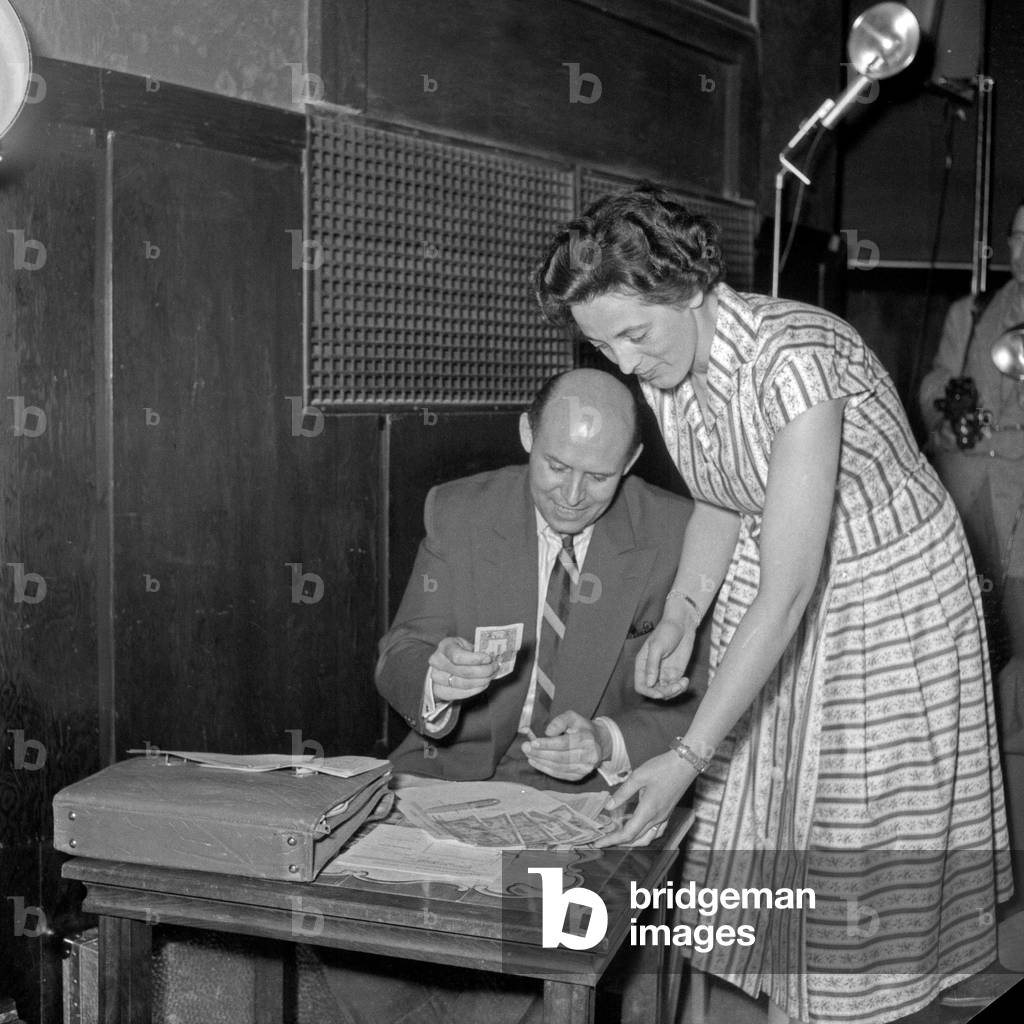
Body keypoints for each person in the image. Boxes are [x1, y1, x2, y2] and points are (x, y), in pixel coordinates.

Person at [534, 186, 1012, 1024]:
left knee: (847, 836)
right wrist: (683, 611)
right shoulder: (664, 361)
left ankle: (849, 1004)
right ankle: (795, 999)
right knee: (761, 804)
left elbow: (790, 593)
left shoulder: (795, 361)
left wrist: (683, 756)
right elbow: (725, 491)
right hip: (781, 562)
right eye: (602, 345)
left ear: (687, 287)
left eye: (632, 336)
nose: (623, 364)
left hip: (885, 585)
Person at [377, 366, 707, 794]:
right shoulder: (459, 511)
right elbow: (400, 653)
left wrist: (607, 740)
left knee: (539, 868)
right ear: (527, 436)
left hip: (593, 790)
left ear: (630, 461)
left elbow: (703, 696)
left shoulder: (679, 532)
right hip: (447, 773)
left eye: (599, 477)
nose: (572, 497)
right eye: (556, 466)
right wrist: (435, 681)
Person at [919, 200, 1024, 979]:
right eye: (1019, 237)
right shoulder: (974, 308)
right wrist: (945, 408)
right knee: (969, 677)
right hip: (965, 504)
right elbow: (931, 386)